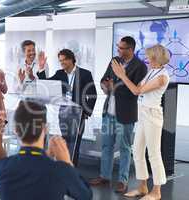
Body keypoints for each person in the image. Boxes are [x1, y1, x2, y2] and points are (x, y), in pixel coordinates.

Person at [0, 100, 93, 200]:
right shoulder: (60, 170)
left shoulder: (3, 167)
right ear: (45, 128)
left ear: (15, 129)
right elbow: (86, 195)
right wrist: (67, 163)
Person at [90, 36, 147, 193]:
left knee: (124, 147)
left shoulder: (140, 67)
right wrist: (105, 86)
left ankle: (123, 180)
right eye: (118, 47)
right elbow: (104, 80)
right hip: (109, 111)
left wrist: (115, 84)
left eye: (121, 48)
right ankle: (105, 176)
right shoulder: (114, 60)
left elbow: (135, 91)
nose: (118, 50)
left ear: (130, 49)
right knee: (106, 145)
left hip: (126, 114)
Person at [112, 44, 170, 200]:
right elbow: (137, 88)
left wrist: (123, 75)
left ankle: (156, 191)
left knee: (154, 153)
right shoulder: (151, 72)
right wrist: (133, 84)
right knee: (137, 150)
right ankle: (143, 187)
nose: (146, 58)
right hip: (143, 113)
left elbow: (137, 90)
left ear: (155, 58)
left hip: (152, 115)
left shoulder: (162, 76)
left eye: (148, 56)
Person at [38, 49, 97, 166]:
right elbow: (46, 84)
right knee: (65, 142)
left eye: (64, 60)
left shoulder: (85, 74)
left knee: (75, 144)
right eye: (60, 61)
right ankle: (65, 167)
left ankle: (72, 169)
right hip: (63, 113)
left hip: (78, 114)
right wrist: (41, 68)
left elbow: (93, 95)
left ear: (71, 59)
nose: (62, 63)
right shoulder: (60, 73)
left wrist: (86, 113)